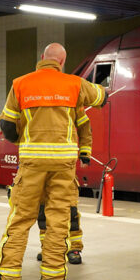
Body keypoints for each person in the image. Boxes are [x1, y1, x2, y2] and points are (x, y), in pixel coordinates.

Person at [0, 43, 106, 280]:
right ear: (62, 62)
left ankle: (9, 279)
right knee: (58, 220)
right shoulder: (74, 84)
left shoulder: (21, 83)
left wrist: (26, 139)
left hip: (32, 161)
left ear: (42, 58)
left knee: (20, 219)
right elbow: (101, 97)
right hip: (63, 164)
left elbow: (7, 125)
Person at [36, 105, 92, 265]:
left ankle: (74, 249)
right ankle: (47, 247)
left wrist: (85, 153)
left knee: (70, 212)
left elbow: (84, 125)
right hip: (39, 169)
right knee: (43, 212)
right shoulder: (36, 101)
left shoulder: (71, 100)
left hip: (64, 168)